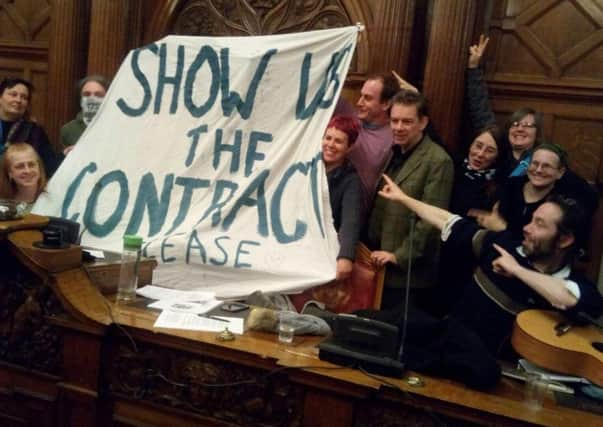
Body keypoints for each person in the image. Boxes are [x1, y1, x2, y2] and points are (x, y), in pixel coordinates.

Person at [378, 174, 603, 355]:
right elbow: (447, 220)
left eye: (540, 225)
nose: (527, 228)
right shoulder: (502, 245)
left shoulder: (576, 286)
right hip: (446, 351)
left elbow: (566, 298)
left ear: (565, 240)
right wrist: (404, 198)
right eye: (532, 219)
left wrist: (516, 270)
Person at [366, 90, 454, 309]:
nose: (398, 127)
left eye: (407, 121)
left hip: (407, 276)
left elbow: (432, 222)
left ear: (423, 123)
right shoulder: (393, 151)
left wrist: (398, 256)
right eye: (394, 120)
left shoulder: (438, 161)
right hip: (377, 265)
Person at [475, 143, 598, 251]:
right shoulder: (511, 186)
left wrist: (503, 230)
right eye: (535, 163)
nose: (538, 170)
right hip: (496, 251)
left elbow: (542, 247)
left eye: (546, 166)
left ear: (560, 173)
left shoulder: (560, 204)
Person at [467, 35, 543, 177]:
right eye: (515, 124)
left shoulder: (540, 159)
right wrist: (473, 67)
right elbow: (480, 107)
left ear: (537, 133)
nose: (519, 129)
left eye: (527, 125)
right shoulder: (499, 146)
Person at [335, 73, 398, 210]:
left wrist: (412, 93)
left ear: (386, 104)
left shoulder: (395, 137)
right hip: (327, 203)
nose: (359, 102)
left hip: (359, 214)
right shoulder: (348, 113)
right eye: (361, 95)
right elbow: (322, 89)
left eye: (367, 98)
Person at [321, 115, 363, 281]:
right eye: (328, 138)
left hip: (322, 250)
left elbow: (350, 221)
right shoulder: (307, 167)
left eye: (338, 141)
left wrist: (345, 257)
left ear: (350, 147)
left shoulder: (350, 180)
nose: (330, 145)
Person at [0, 77, 60, 176]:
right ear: (0, 98)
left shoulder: (35, 131)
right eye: (13, 94)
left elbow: (50, 165)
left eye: (24, 97)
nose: (18, 100)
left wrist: (65, 155)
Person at [450, 124, 508, 216]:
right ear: (471, 144)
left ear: (497, 157)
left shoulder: (499, 186)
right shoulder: (451, 166)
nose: (480, 154)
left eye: (489, 151)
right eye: (478, 146)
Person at [61, 75, 109, 152]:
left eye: (98, 95)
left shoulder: (118, 125)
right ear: (80, 98)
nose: (92, 98)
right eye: (87, 94)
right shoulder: (68, 129)